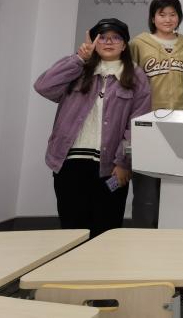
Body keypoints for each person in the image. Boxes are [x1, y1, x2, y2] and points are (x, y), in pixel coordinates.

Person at [34, 19, 151, 237]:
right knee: (72, 229)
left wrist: (124, 162)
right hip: (70, 163)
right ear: (95, 43)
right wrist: (79, 58)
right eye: (103, 37)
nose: (109, 42)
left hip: (111, 167)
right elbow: (43, 86)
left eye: (115, 37)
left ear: (124, 45)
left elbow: (137, 125)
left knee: (106, 232)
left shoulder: (136, 76)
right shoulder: (79, 69)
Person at [128, 0, 183, 228]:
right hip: (148, 121)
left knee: (176, 183)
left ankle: (172, 232)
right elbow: (128, 82)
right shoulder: (138, 43)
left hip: (181, 121)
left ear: (179, 17)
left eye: (173, 14)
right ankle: (143, 234)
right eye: (162, 14)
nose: (167, 19)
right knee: (146, 185)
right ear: (153, 18)